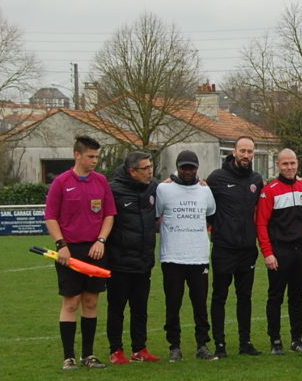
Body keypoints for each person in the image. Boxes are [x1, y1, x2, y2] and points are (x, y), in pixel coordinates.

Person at [43, 135, 117, 370]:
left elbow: (109, 215)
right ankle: (69, 357)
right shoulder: (61, 182)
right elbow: (50, 217)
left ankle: (88, 355)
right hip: (70, 251)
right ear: (77, 155)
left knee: (91, 302)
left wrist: (101, 241)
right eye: (90, 156)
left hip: (95, 250)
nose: (95, 160)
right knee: (71, 303)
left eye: (97, 156)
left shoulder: (101, 181)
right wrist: (61, 245)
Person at [156, 150, 219, 361]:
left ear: (197, 168)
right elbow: (157, 214)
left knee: (200, 305)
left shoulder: (205, 190)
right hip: (172, 257)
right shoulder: (163, 189)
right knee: (173, 304)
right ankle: (174, 346)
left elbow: (210, 214)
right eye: (184, 168)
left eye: (191, 168)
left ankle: (202, 344)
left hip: (199, 256)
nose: (187, 171)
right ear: (177, 167)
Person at [206, 135, 264, 358]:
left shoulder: (256, 180)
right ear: (234, 152)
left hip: (247, 249)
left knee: (245, 296)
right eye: (242, 151)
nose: (246, 155)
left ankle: (245, 342)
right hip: (224, 248)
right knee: (219, 296)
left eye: (250, 151)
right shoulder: (217, 178)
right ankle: (219, 344)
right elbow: (202, 199)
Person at [256, 148, 302, 355]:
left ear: (297, 163)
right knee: (276, 296)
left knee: (297, 296)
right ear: (278, 165)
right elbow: (261, 223)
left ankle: (297, 339)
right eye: (285, 164)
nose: (289, 167)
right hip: (280, 251)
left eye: (292, 163)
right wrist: (267, 253)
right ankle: (275, 340)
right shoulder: (269, 190)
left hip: (301, 251)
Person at [105, 150, 160, 365]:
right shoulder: (113, 190)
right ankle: (116, 350)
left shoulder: (153, 187)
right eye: (145, 168)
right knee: (116, 308)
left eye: (151, 167)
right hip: (119, 261)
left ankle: (139, 349)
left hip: (144, 261)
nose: (150, 172)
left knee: (140, 308)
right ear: (132, 171)